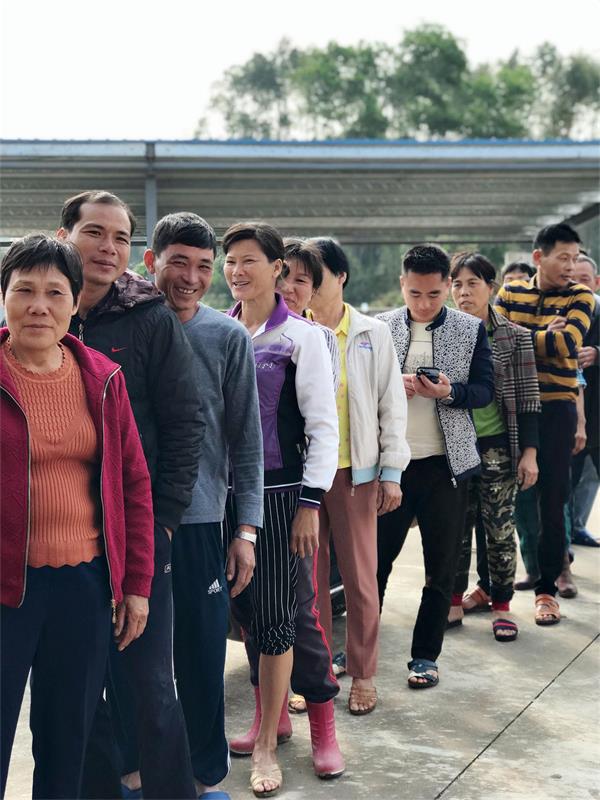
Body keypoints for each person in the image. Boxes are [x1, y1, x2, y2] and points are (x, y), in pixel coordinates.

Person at [57, 191, 204, 800]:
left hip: (137, 530)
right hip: (61, 536)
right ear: (64, 236)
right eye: (94, 232)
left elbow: (185, 422)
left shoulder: (148, 317)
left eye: (120, 237)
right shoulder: (42, 310)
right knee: (75, 687)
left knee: (150, 684)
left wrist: (163, 521)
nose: (108, 247)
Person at [0, 234, 154, 800]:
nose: (38, 306)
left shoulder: (102, 378)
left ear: (74, 303)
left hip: (83, 587)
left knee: (68, 740)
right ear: (4, 296)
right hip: (4, 589)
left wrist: (135, 586)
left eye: (54, 293)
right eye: (24, 291)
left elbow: (134, 485)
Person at [144, 212, 264, 800]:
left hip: (200, 522)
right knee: (136, 662)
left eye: (202, 266)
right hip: (131, 520)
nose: (190, 278)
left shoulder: (227, 337)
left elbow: (247, 440)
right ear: (151, 262)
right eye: (178, 263)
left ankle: (205, 776)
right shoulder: (127, 325)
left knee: (200, 654)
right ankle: (137, 773)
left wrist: (246, 530)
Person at [222, 222, 343, 797]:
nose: (237, 271)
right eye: (231, 261)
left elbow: (323, 427)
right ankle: (268, 717)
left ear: (276, 269)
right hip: (220, 495)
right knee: (247, 613)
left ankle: (308, 728)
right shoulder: (218, 329)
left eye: (250, 260)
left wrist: (309, 503)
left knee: (288, 615)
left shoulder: (302, 337)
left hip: (280, 495)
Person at [377, 244, 494, 688]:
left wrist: (449, 392)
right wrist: (394, 384)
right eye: (414, 294)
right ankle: (360, 648)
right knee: (373, 566)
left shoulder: (469, 328)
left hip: (446, 466)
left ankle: (425, 656)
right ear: (401, 285)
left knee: (440, 569)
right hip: (391, 465)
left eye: (433, 294)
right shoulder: (380, 327)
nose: (424, 304)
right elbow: (360, 389)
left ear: (447, 285)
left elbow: (484, 390)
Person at [307, 237, 410, 715]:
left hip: (356, 473)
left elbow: (392, 403)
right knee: (307, 583)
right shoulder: (293, 330)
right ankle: (316, 674)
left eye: (316, 275)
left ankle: (364, 672)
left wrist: (391, 472)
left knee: (360, 579)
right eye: (298, 276)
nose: (306, 285)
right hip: (305, 477)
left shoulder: (372, 333)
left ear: (341, 276)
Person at [495, 223, 594, 625]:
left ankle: (547, 590)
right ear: (539, 257)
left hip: (556, 408)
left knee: (553, 499)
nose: (570, 266)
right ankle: (497, 585)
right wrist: (539, 336)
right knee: (508, 498)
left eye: (575, 258)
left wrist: (521, 336)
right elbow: (494, 341)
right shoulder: (510, 293)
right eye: (563, 257)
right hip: (513, 407)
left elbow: (568, 343)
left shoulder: (580, 295)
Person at [447, 252, 540, 641]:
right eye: (457, 284)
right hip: (454, 446)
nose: (464, 293)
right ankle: (453, 600)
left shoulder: (514, 336)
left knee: (500, 530)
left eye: (473, 284)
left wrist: (529, 453)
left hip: (498, 447)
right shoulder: (444, 332)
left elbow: (529, 399)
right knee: (454, 530)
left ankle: (501, 605)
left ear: (491, 287)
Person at [569, 253, 600, 547]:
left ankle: (578, 527)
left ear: (596, 282)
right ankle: (565, 541)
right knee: (564, 483)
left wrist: (598, 354)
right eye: (572, 279)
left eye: (584, 280)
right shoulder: (557, 314)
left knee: (591, 478)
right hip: (568, 417)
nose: (578, 285)